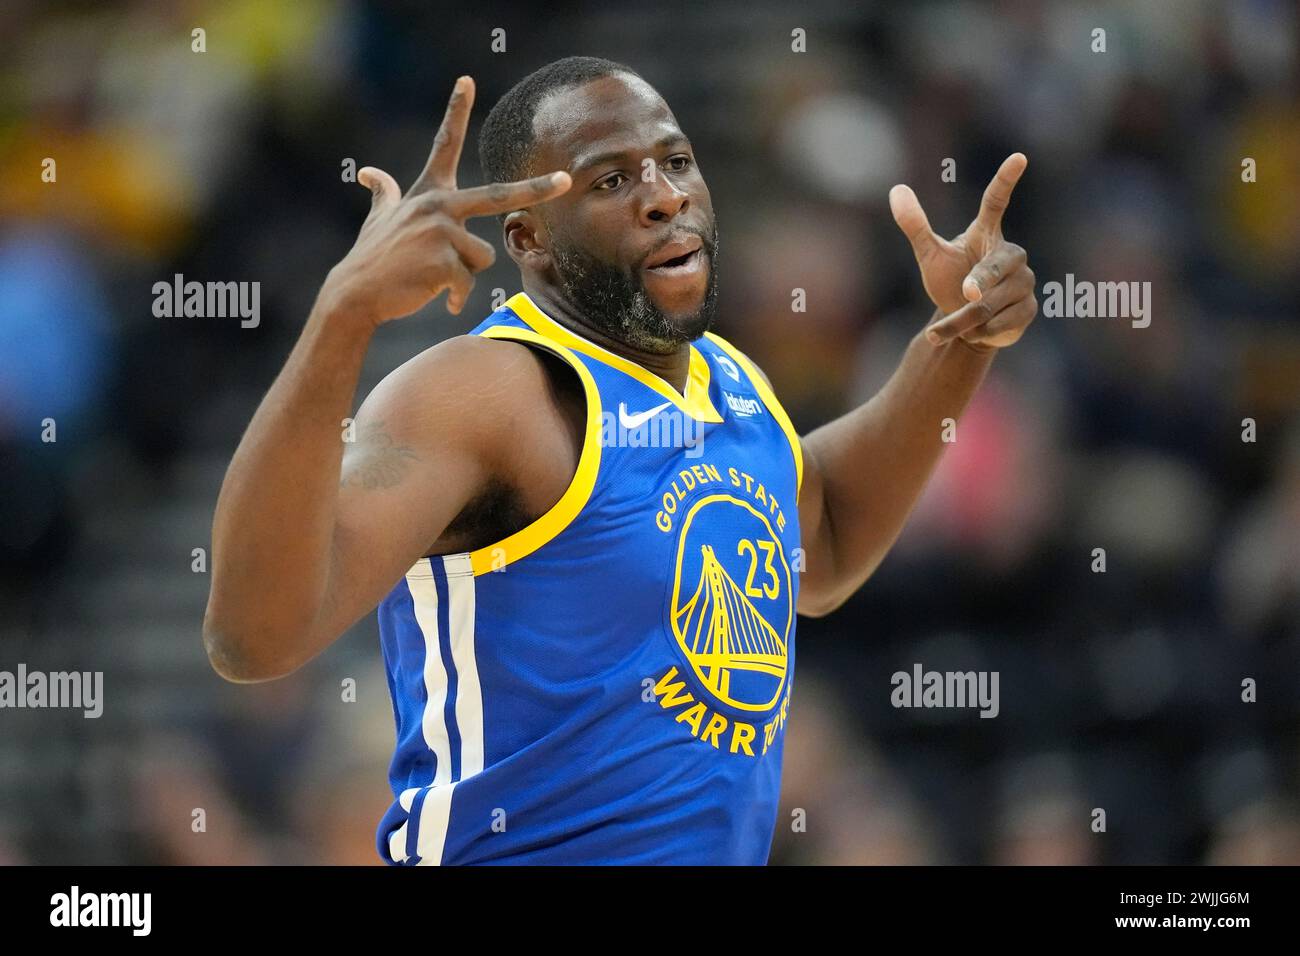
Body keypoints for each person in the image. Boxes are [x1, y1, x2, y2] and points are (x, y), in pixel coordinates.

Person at [203, 56, 1037, 864]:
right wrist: (343, 317)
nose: (664, 196)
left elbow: (824, 542)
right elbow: (253, 638)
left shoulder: (730, 381)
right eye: (612, 180)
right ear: (529, 239)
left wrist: (960, 340)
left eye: (675, 162)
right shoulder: (489, 391)